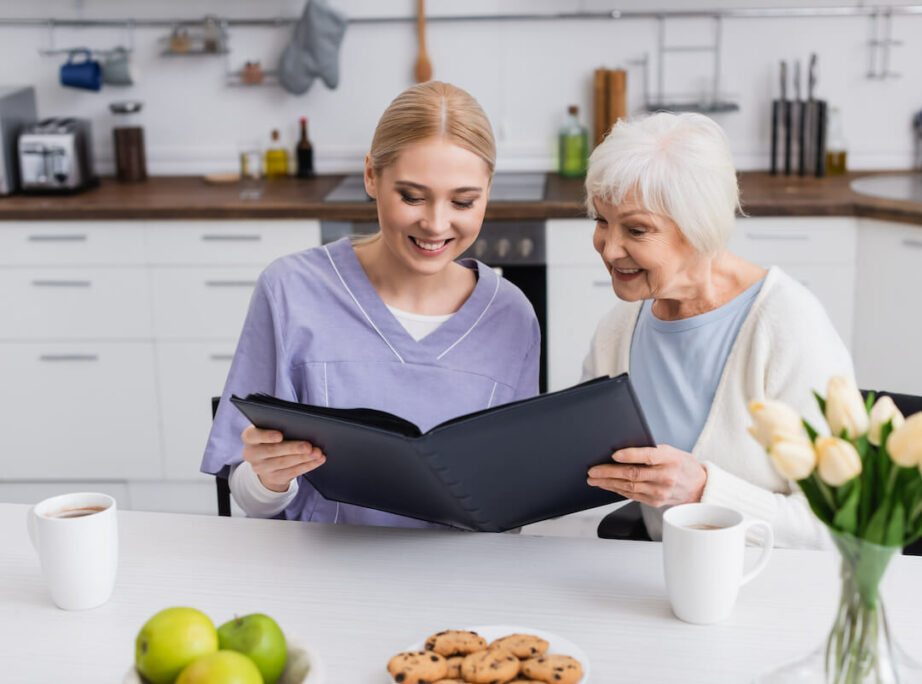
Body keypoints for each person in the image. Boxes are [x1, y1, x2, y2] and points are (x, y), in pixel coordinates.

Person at [201, 81, 540, 525]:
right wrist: (269, 480)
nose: (436, 224)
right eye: (412, 196)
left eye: (463, 201)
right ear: (371, 176)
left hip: (459, 581)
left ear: (487, 191)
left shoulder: (512, 316)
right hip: (324, 581)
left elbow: (516, 492)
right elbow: (248, 495)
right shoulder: (290, 291)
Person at [581, 112, 854, 548]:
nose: (610, 248)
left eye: (635, 229)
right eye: (601, 220)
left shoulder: (788, 327)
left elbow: (843, 530)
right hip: (666, 586)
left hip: (786, 594)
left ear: (699, 227)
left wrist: (704, 490)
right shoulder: (618, 332)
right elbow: (588, 478)